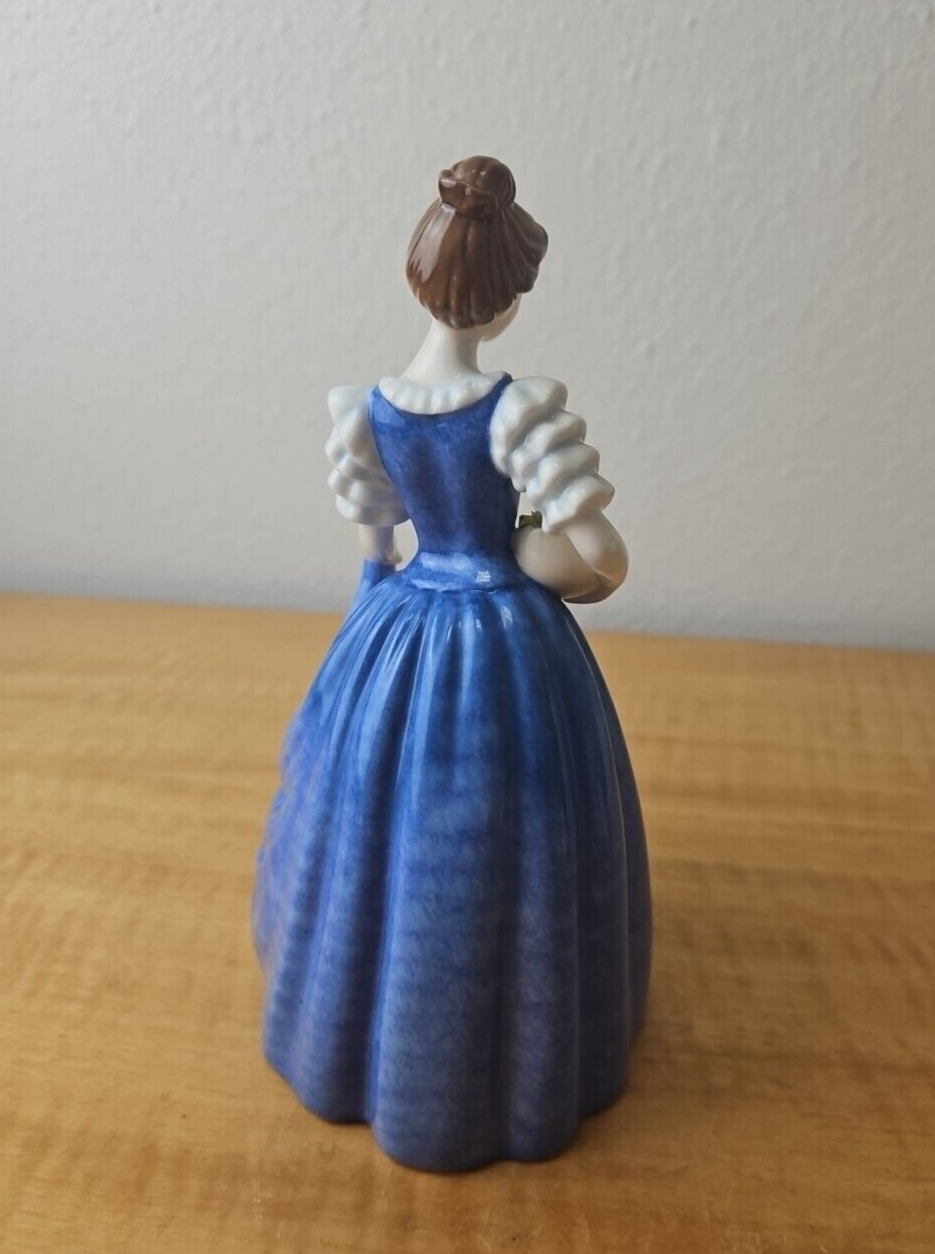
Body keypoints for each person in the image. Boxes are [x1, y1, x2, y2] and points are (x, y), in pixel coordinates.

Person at [253, 156, 651, 1172]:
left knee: (366, 834)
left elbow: (372, 542)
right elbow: (599, 558)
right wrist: (528, 554)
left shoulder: (366, 408)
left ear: (415, 277)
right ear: (509, 299)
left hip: (393, 628)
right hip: (504, 644)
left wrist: (376, 614)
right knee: (519, 847)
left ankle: (356, 1035)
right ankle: (515, 1053)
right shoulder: (516, 409)